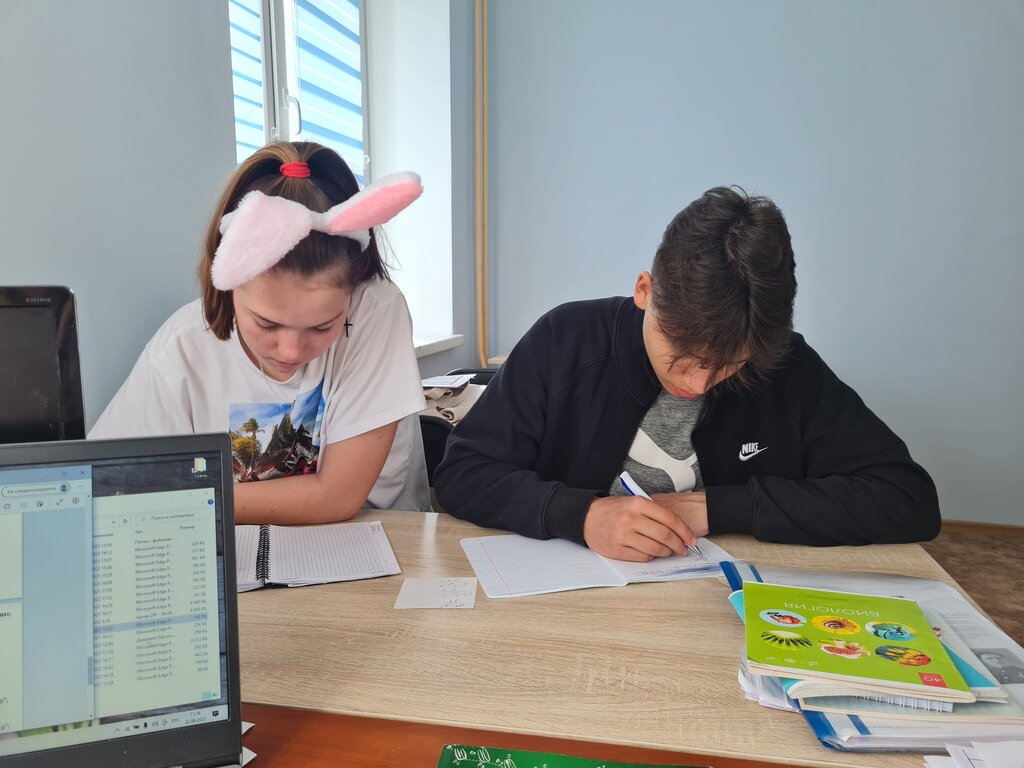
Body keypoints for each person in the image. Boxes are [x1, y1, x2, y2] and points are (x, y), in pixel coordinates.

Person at [434, 186, 941, 561]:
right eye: (682, 353)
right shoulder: (565, 338)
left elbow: (907, 498)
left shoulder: (786, 364)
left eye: (730, 364)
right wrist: (580, 516)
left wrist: (717, 509)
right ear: (644, 291)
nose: (697, 384)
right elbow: (462, 473)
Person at [91, 141, 431, 523]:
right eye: (266, 324)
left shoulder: (375, 308)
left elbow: (336, 496)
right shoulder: (182, 346)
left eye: (322, 326)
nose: (290, 351)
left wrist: (184, 500)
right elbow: (107, 482)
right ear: (225, 282)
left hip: (384, 533)